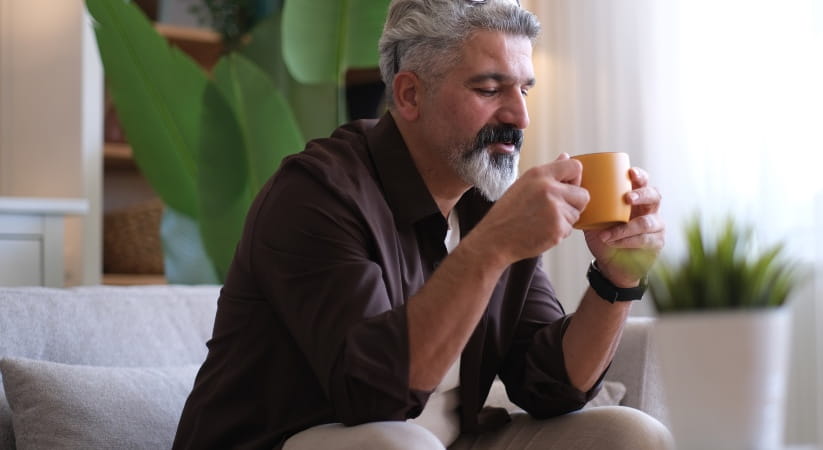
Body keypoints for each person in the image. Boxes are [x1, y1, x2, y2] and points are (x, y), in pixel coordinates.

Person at [173, 0, 672, 448]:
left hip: (445, 441)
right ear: (410, 95)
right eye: (490, 88)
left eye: (523, 88)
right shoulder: (317, 193)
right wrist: (495, 245)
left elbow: (550, 384)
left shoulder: (488, 201)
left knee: (629, 435)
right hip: (301, 438)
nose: (519, 115)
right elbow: (373, 395)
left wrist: (617, 277)